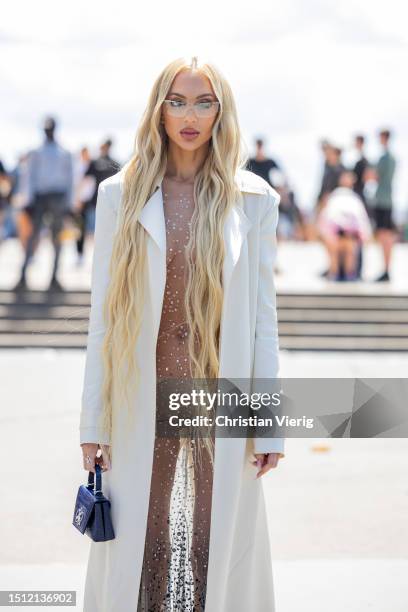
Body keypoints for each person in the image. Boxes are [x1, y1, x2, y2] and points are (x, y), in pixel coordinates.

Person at [79, 56, 285, 612]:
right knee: (143, 543)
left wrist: (268, 425)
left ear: (221, 111)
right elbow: (102, 319)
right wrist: (92, 423)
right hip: (139, 393)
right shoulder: (119, 195)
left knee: (211, 546)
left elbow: (264, 320)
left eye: (203, 101)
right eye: (177, 101)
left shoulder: (254, 199)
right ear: (159, 110)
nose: (189, 115)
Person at [13, 116, 74, 292]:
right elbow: (28, 176)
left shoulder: (65, 152)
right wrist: (28, 200)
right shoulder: (36, 152)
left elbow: (71, 180)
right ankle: (23, 276)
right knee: (32, 237)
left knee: (57, 238)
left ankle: (54, 277)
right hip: (39, 198)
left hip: (58, 197)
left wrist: (69, 204)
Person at [317, 170, 372, 280]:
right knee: (343, 258)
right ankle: (342, 275)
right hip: (341, 231)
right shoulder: (340, 196)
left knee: (346, 257)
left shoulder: (349, 197)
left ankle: (341, 275)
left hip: (345, 232)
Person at [372, 128, 397, 282]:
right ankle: (387, 269)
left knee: (384, 237)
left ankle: (386, 269)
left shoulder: (384, 158)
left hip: (382, 201)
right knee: (386, 236)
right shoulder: (392, 158)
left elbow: (374, 176)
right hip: (388, 200)